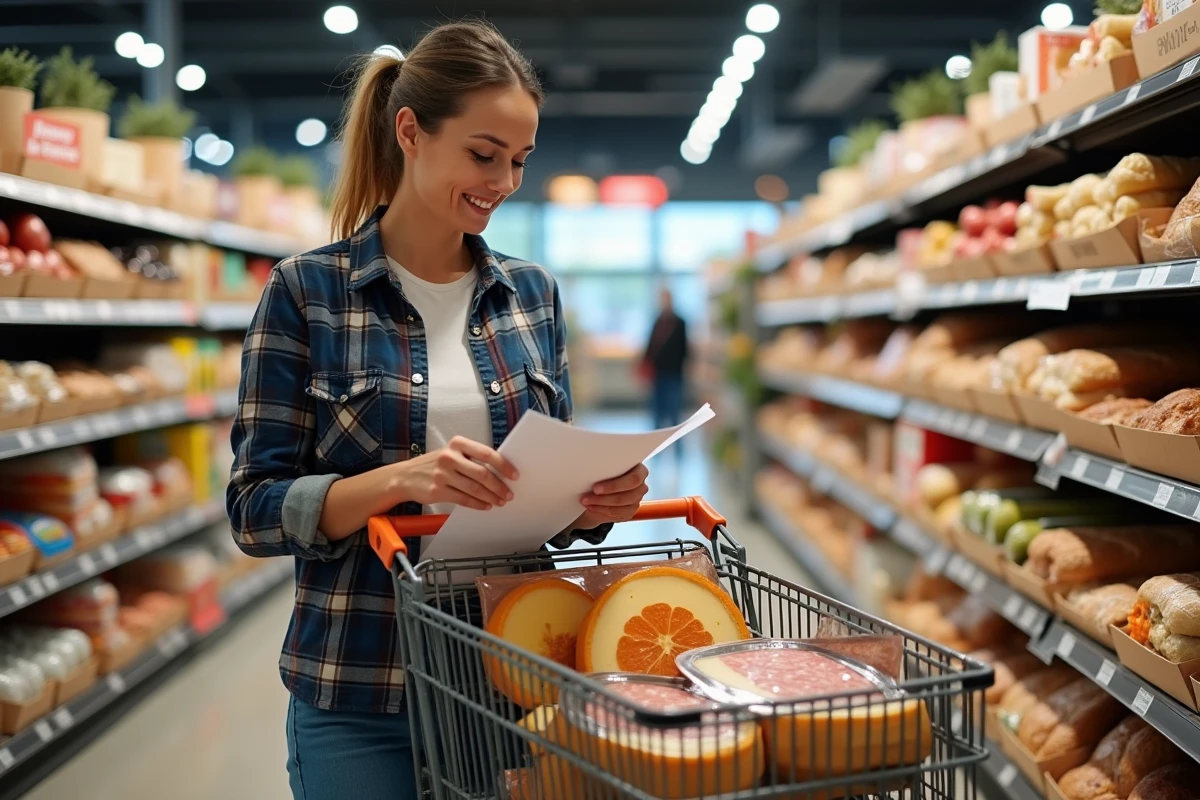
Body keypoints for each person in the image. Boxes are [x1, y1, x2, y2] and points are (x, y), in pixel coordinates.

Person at [226, 21, 650, 800]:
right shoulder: (306, 293)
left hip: (511, 678)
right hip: (359, 682)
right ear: (410, 132)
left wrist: (595, 504)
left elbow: (547, 507)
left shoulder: (532, 296)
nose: (504, 181)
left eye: (519, 160)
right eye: (484, 154)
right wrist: (400, 481)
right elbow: (254, 510)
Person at [642, 287, 690, 432]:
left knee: (674, 409)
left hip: (674, 373)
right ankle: (657, 438)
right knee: (657, 410)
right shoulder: (657, 321)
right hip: (658, 373)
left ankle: (676, 438)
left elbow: (685, 348)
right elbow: (650, 346)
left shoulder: (680, 322)